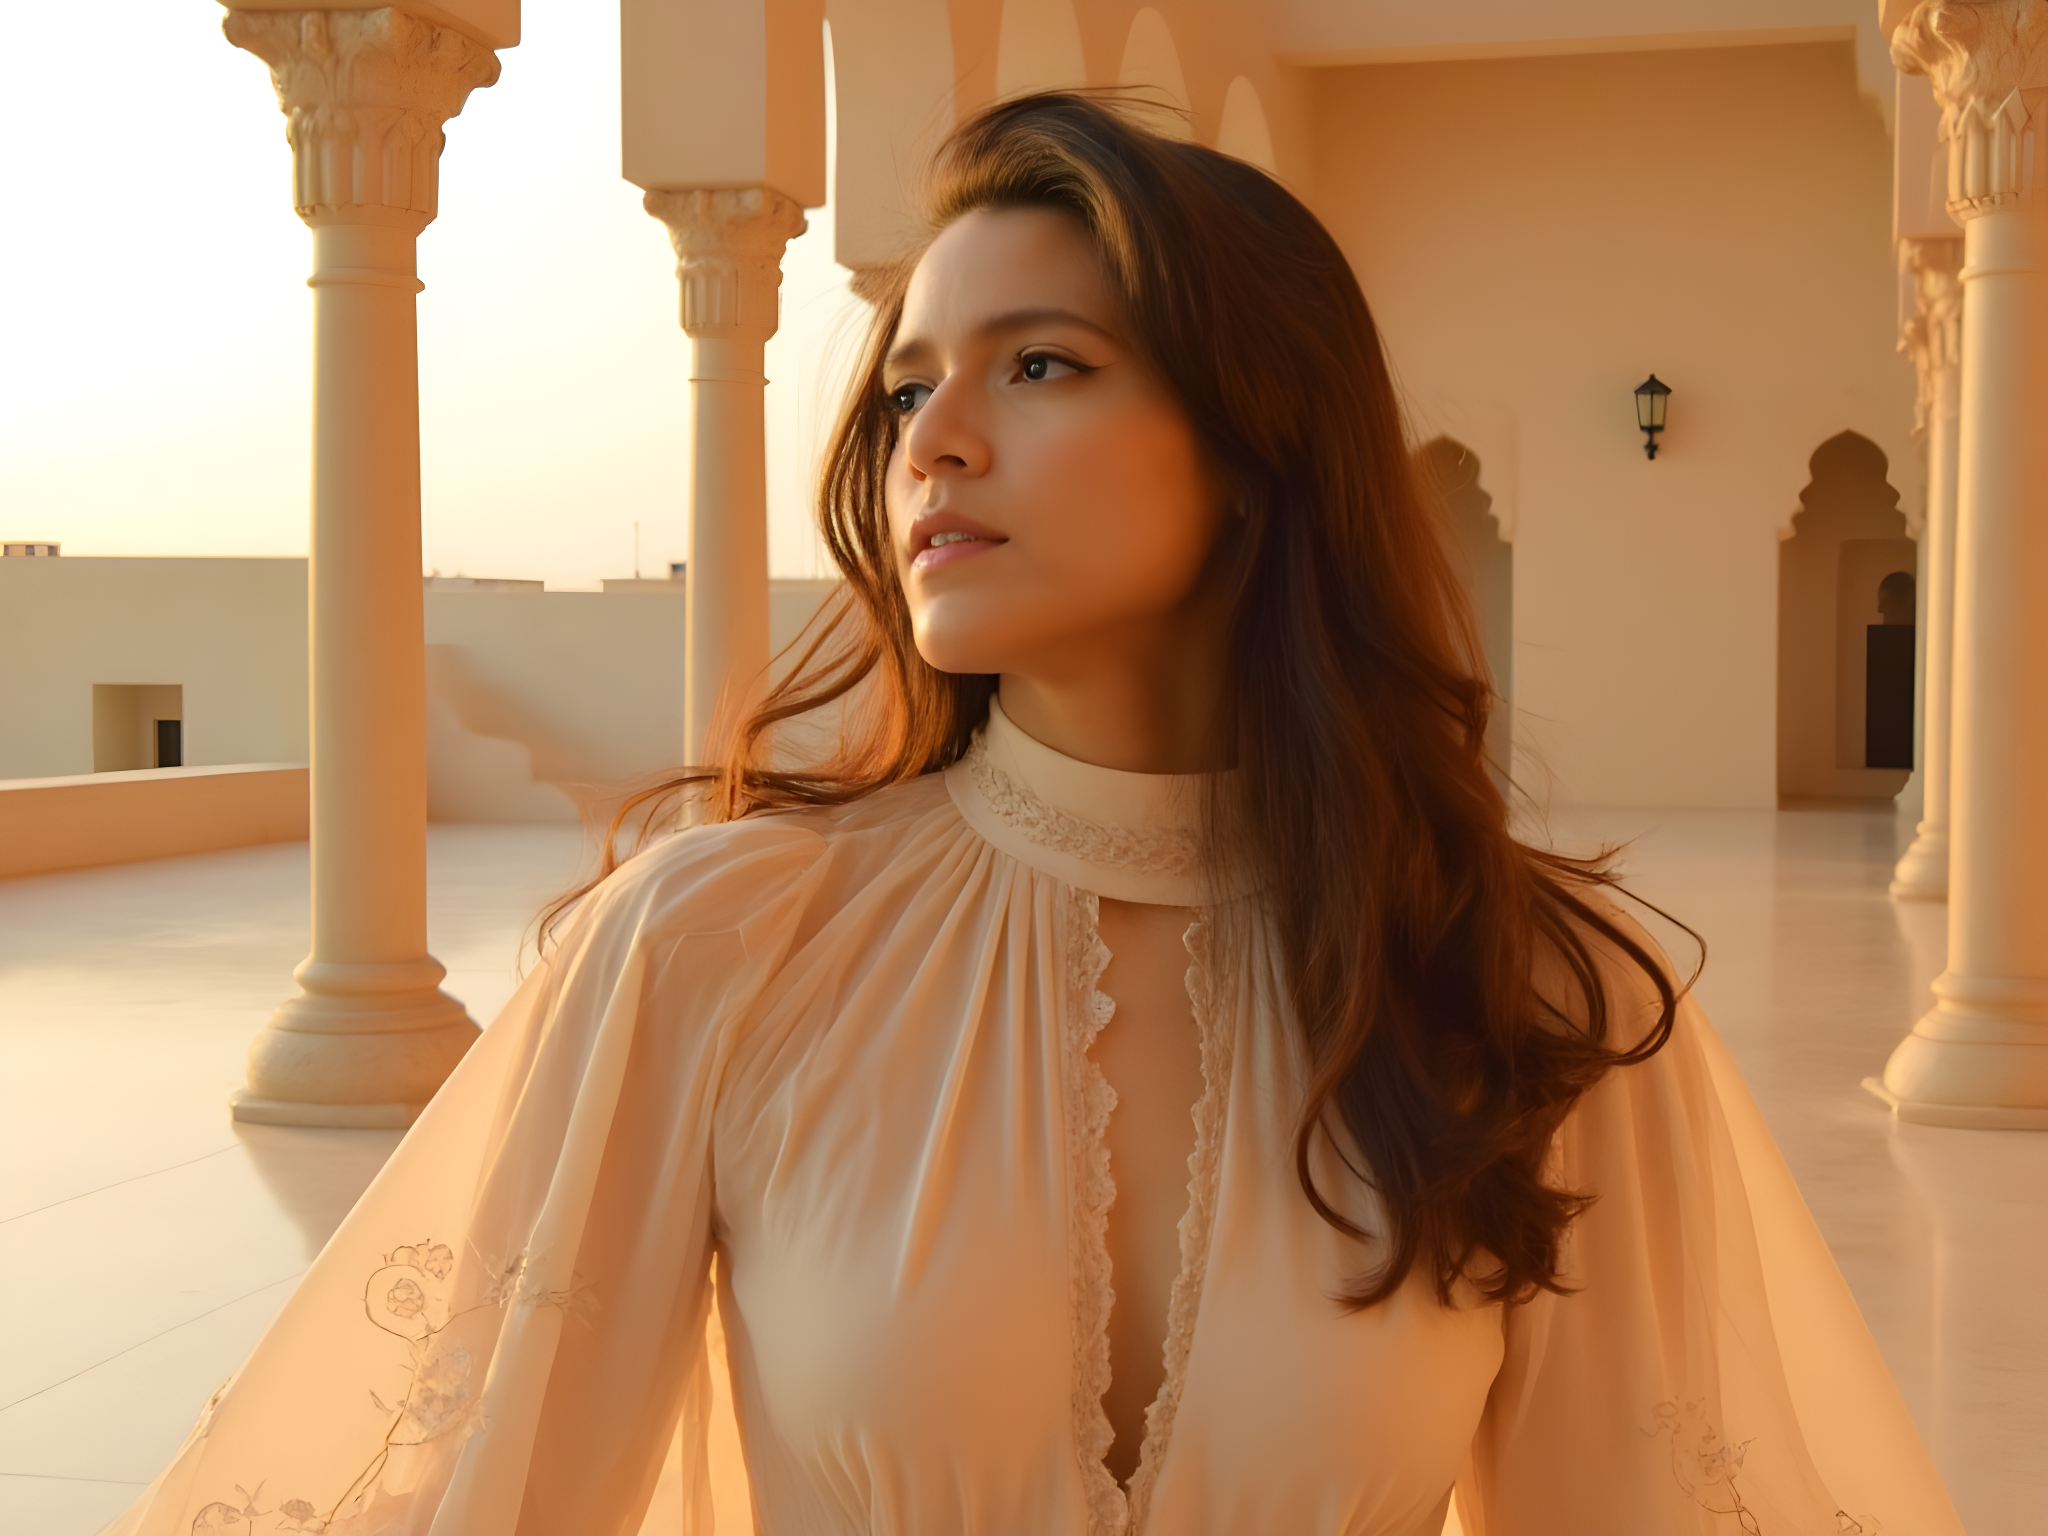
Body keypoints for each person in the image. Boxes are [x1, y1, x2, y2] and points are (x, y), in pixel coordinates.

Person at [110, 94, 1961, 1536]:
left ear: (1259, 446)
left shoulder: (1531, 996)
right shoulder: (722, 948)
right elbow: (481, 1489)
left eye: (1041, 364)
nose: (933, 436)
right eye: (912, 382)